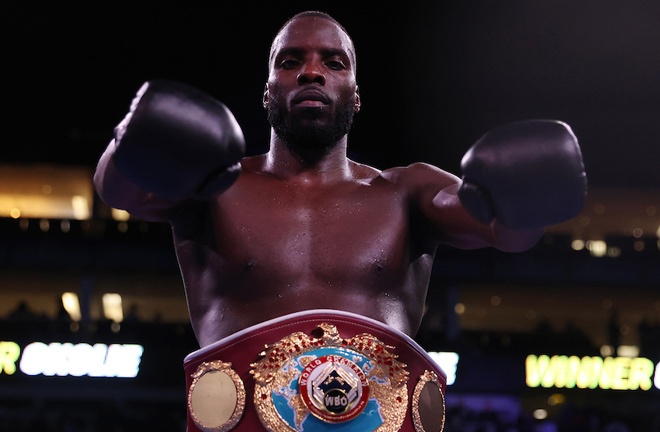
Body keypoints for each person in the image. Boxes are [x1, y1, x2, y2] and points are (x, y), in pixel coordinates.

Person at [93, 10, 587, 432]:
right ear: (267, 92)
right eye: (291, 61)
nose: (312, 72)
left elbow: (504, 229)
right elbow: (120, 191)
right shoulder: (215, 187)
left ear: (355, 94)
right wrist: (129, 139)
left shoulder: (405, 190)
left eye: (333, 62)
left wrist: (525, 197)